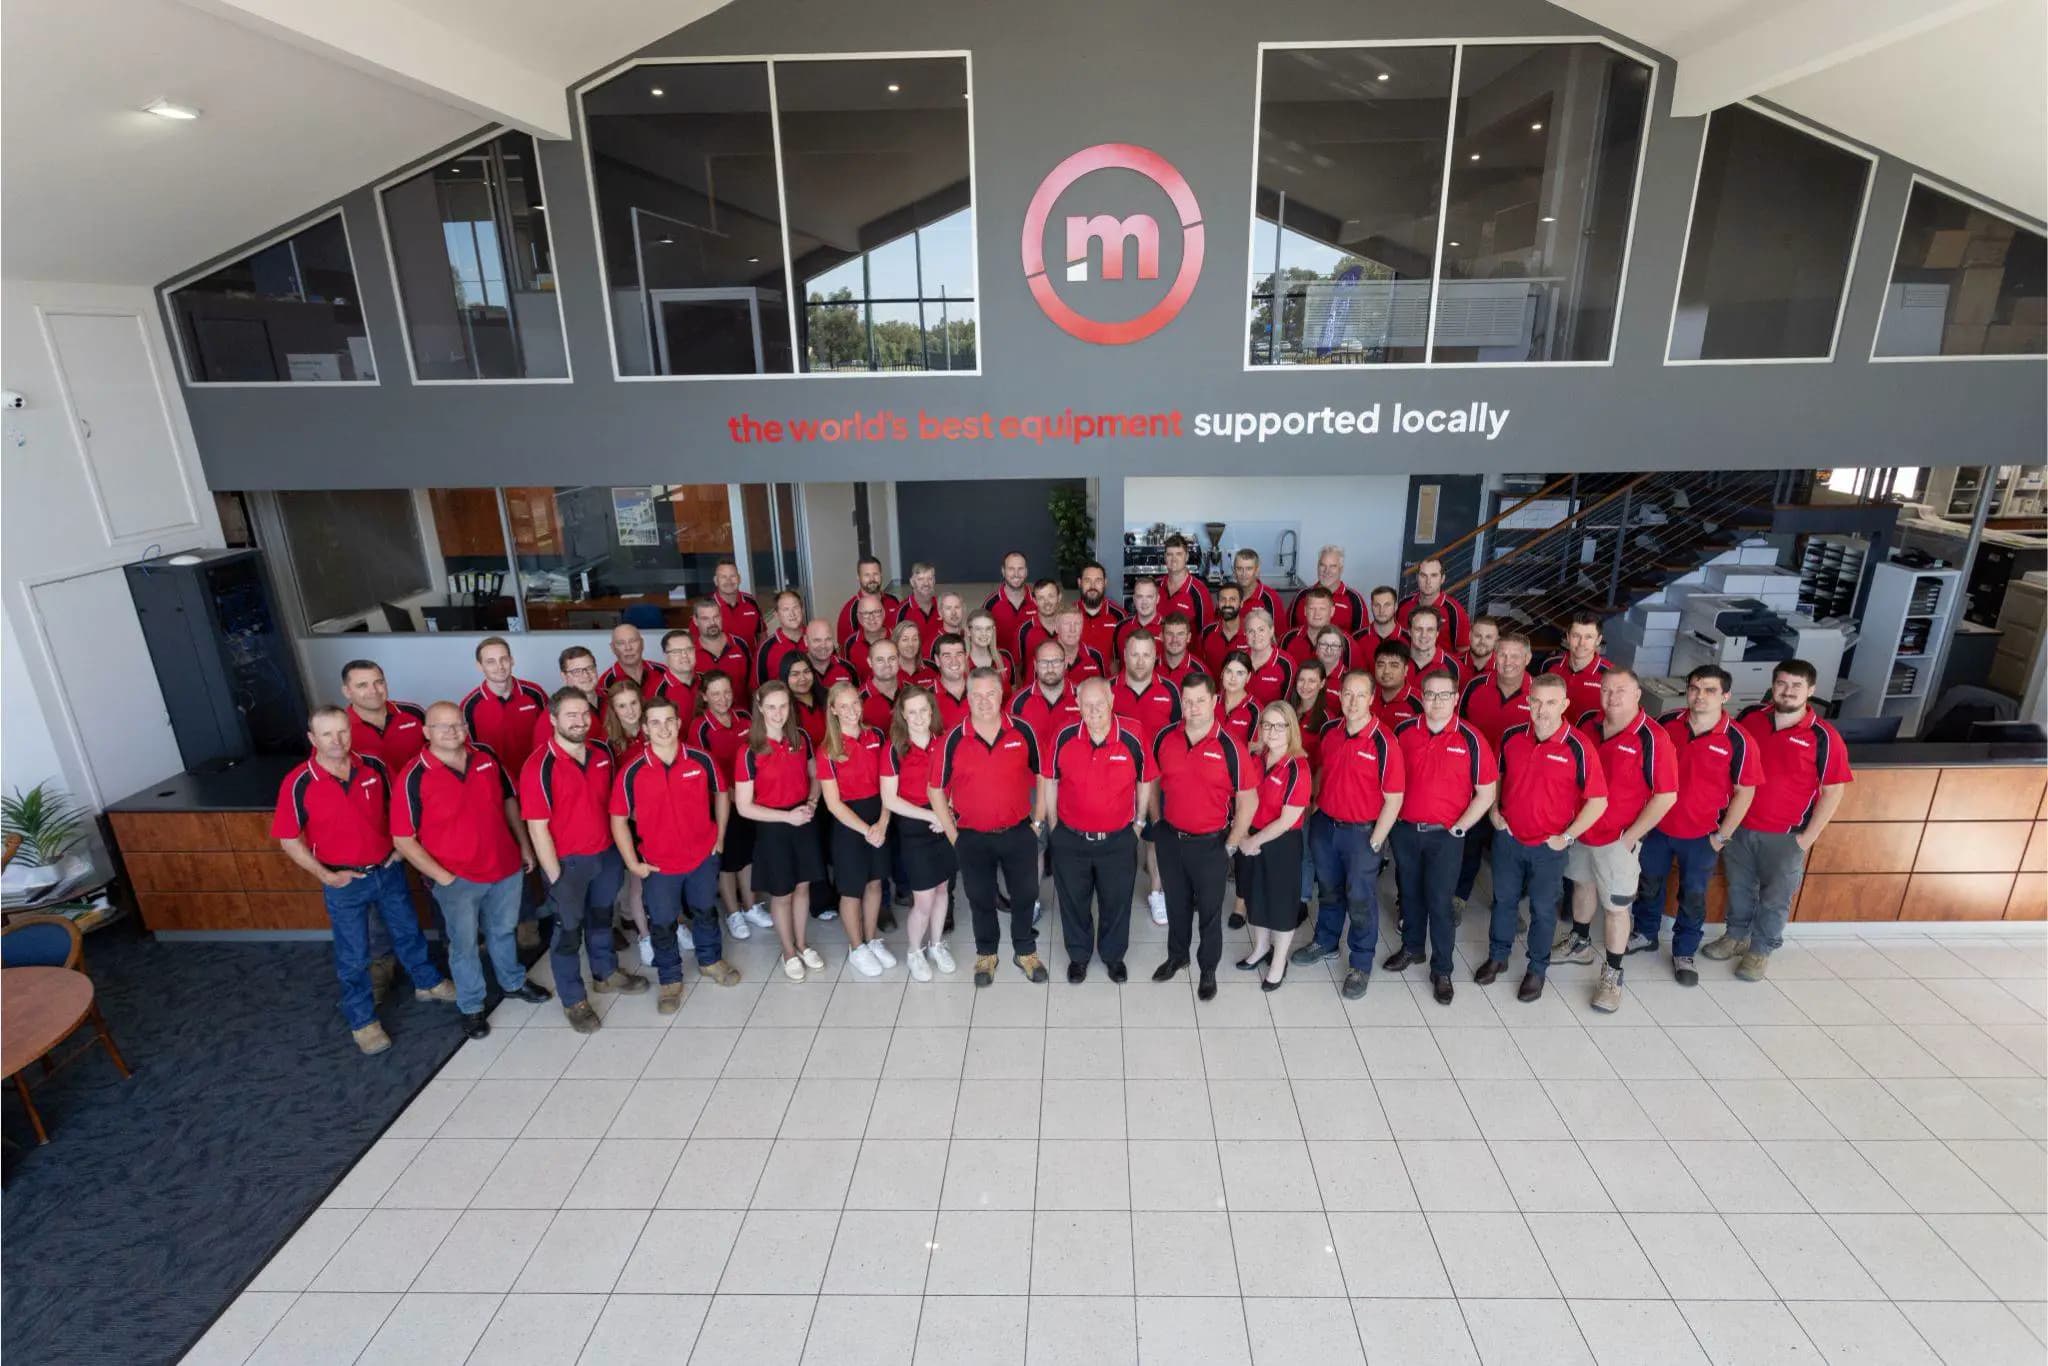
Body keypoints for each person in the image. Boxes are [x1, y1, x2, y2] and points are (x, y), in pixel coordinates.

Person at [273, 706, 453, 1054]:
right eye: (327, 734)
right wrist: (325, 875)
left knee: (408, 932)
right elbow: (287, 838)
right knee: (354, 954)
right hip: (344, 882)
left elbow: (403, 808)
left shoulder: (374, 766)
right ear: (312, 739)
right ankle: (362, 1021)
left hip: (387, 869)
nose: (337, 740)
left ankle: (427, 983)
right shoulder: (299, 781)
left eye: (342, 731)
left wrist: (401, 852)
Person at [392, 702, 547, 1040]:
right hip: (456, 879)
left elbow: (509, 800)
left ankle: (513, 982)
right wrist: (442, 876)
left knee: (504, 930)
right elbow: (403, 838)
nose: (451, 732)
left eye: (457, 725)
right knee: (463, 946)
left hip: (505, 867)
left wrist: (523, 845)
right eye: (442, 726)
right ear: (426, 732)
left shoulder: (486, 757)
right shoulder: (413, 775)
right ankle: (472, 1005)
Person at [1711, 660, 1853, 981]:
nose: (1787, 692)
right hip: (1740, 827)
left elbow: (1833, 793)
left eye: (1796, 686)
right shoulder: (1750, 718)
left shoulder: (1824, 737)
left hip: (1786, 835)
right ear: (1773, 685)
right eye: (1782, 684)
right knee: (1739, 888)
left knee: (1775, 898)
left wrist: (1805, 840)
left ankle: (1760, 951)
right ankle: (1735, 937)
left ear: (1811, 691)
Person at [1476, 673, 1608, 1004]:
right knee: (1504, 901)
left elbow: (1599, 801)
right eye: (1535, 701)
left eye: (1551, 703)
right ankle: (1499, 956)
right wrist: (1494, 811)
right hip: (1509, 839)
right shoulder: (1511, 737)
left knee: (1543, 910)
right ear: (1528, 702)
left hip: (1548, 848)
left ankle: (1536, 969)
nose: (1542, 710)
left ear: (1564, 705)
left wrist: (1567, 836)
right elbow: (1496, 776)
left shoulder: (1578, 747)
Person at [1553, 670, 1678, 1012]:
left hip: (1618, 840)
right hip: (1582, 830)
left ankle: (1612, 973)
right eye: (1606, 689)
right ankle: (1579, 942)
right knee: (1582, 887)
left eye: (1621, 690)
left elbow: (1666, 796)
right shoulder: (1588, 724)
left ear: (1638, 693)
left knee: (1615, 908)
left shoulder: (1653, 738)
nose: (1612, 696)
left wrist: (1631, 838)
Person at [523, 687, 646, 1033]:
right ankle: (574, 999)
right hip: (568, 865)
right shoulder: (539, 766)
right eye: (570, 715)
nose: (579, 721)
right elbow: (537, 828)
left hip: (605, 855)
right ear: (553, 720)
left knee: (601, 918)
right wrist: (556, 879)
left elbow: (615, 805)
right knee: (567, 932)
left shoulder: (602, 752)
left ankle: (605, 974)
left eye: (583, 714)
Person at [1630, 665, 1761, 986]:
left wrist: (1721, 836)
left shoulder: (1738, 740)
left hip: (1703, 836)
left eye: (1710, 690)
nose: (1699, 696)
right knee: (1648, 884)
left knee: (1693, 895)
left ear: (1725, 696)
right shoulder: (1665, 724)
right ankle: (1645, 933)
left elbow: (1746, 791)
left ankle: (1684, 951)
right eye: (1694, 688)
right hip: (1658, 829)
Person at [612, 695, 738, 1011]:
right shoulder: (632, 771)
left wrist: (719, 835)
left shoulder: (700, 759)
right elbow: (618, 818)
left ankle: (711, 960)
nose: (664, 727)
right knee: (663, 922)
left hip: (701, 858)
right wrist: (632, 863)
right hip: (659, 865)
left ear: (679, 723)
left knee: (705, 910)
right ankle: (670, 979)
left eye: (669, 720)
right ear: (645, 728)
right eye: (655, 722)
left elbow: (722, 793)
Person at [1291, 669, 1405, 999]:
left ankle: (1360, 963)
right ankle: (1325, 941)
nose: (1352, 702)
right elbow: (1322, 767)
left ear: (1371, 699)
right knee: (1328, 889)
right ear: (1339, 696)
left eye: (1360, 695)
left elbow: (1394, 798)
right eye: (1347, 694)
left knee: (1360, 898)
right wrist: (1314, 801)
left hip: (1362, 834)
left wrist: (1376, 840)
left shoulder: (1384, 742)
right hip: (1326, 825)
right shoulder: (1330, 731)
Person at [930, 667, 1048, 986]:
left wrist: (1037, 823)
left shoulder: (1022, 731)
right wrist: (954, 835)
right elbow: (935, 789)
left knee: (1025, 894)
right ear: (968, 698)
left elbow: (1043, 776)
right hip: (971, 837)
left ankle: (1025, 950)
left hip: (1019, 832)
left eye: (991, 693)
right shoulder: (953, 738)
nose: (984, 701)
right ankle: (987, 954)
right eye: (977, 695)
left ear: (1002, 694)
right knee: (980, 898)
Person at [1388, 672, 1498, 1006]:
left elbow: (1486, 792)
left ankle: (1443, 969)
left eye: (1443, 695)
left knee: (1440, 902)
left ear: (1455, 698)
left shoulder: (1471, 738)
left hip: (1446, 837)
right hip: (1406, 830)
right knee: (1409, 894)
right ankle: (1412, 948)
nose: (1436, 702)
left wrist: (1460, 828)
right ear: (1421, 697)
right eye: (1430, 695)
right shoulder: (1404, 731)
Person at [1149, 671, 1254, 1000]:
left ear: (1214, 701)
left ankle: (1207, 969)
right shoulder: (1166, 737)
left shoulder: (1230, 746)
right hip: (1170, 838)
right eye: (1187, 701)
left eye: (1199, 701)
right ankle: (1177, 957)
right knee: (1176, 904)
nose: (1192, 708)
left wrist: (1231, 845)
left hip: (1211, 844)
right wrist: (1156, 820)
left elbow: (1248, 800)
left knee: (1209, 912)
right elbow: (1152, 782)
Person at [1043, 678, 1150, 983]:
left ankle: (1113, 956)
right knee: (1073, 901)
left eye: (1099, 704)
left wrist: (1139, 824)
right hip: (1071, 839)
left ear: (1111, 700)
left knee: (1116, 902)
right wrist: (1053, 827)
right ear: (1077, 704)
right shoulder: (1064, 734)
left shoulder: (1133, 734)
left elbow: (1145, 778)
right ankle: (1079, 956)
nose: (1093, 711)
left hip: (1118, 840)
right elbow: (1049, 779)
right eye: (1086, 705)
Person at [734, 681, 828, 981]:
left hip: (803, 819)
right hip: (774, 827)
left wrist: (812, 802)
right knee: (782, 891)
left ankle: (802, 944)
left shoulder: (800, 739)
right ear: (760, 708)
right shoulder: (749, 750)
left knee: (803, 887)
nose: (778, 713)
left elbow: (815, 775)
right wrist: (786, 817)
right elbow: (744, 806)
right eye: (771, 706)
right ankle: (788, 951)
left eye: (783, 706)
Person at [818, 681, 895, 975]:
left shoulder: (875, 735)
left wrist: (884, 821)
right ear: (834, 710)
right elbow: (834, 804)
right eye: (844, 706)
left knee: (876, 882)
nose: (852, 711)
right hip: (850, 823)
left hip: (880, 814)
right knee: (852, 890)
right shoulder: (828, 750)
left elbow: (889, 783)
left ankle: (872, 936)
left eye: (856, 704)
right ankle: (856, 947)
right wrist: (867, 830)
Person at [881, 687, 958, 980]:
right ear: (902, 715)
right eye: (911, 712)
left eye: (923, 710)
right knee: (923, 899)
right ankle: (915, 951)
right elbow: (890, 799)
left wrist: (947, 811)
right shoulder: (895, 749)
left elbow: (955, 781)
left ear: (932, 711)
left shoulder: (944, 741)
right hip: (916, 825)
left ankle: (936, 944)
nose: (918, 717)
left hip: (944, 822)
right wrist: (933, 815)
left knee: (943, 891)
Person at [1454, 631, 1536, 906]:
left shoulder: (1539, 694)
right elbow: (1458, 729)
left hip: (1518, 786)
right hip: (1475, 782)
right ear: (1494, 656)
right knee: (1470, 842)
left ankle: (1508, 905)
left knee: (1511, 847)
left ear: (1528, 658)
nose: (1507, 661)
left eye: (1515, 655)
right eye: (1502, 654)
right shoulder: (1475, 687)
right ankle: (1459, 898)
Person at [1235, 702, 1312, 991]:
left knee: (1279, 906)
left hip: (1280, 844)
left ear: (1291, 729)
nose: (1273, 731)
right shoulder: (1257, 757)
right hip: (1251, 837)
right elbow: (1242, 798)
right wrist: (1242, 834)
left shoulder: (1298, 767)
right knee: (1256, 899)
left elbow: (1288, 819)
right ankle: (1260, 949)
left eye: (1280, 725)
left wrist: (1253, 841)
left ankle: (1278, 962)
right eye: (1267, 724)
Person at [1113, 630, 1183, 927]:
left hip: (1158, 780)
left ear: (1155, 656)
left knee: (1156, 838)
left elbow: (1181, 733)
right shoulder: (1107, 689)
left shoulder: (1170, 690)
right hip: (1116, 779)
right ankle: (1115, 893)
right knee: (1119, 838)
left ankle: (1157, 891)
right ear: (1124, 655)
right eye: (1134, 654)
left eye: (1146, 654)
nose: (1140, 661)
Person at [695, 672, 769, 944]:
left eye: (727, 692)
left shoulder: (745, 719)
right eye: (715, 694)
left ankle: (750, 906)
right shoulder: (700, 727)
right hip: (720, 800)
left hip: (748, 799)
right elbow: (703, 768)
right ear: (705, 697)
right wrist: (728, 792)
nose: (723, 698)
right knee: (726, 859)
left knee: (747, 854)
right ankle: (733, 912)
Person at [601, 679, 656, 958]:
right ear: (613, 710)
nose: (630, 710)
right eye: (622, 706)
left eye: (634, 703)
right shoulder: (610, 742)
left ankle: (675, 924)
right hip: (633, 820)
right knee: (637, 881)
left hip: (662, 816)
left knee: (666, 876)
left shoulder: (654, 730)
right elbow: (610, 787)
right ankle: (645, 936)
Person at [461, 637, 550, 780]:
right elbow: (469, 752)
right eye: (491, 662)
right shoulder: (469, 706)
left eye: (504, 659)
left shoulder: (535, 693)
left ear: (512, 660)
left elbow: (552, 733)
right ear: (480, 666)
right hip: (497, 782)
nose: (500, 666)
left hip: (537, 776)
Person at [341, 659, 427, 773]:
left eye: (379, 682)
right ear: (347, 692)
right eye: (362, 685)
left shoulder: (414, 712)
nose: (374, 691)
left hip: (418, 789)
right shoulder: (337, 726)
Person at [1010, 638, 1082, 754]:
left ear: (1066, 663)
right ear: (1035, 665)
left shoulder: (1083, 696)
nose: (1050, 668)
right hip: (1033, 771)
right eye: (1043, 662)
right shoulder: (1018, 702)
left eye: (1056, 662)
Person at [1544, 611, 1614, 720]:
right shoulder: (1550, 665)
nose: (1582, 643)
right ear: (1568, 637)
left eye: (1589, 637)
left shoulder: (1611, 675)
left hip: (1589, 736)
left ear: (1598, 640)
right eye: (1576, 636)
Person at [1397, 557, 1471, 650]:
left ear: (1442, 579)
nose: (1428, 581)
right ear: (1417, 577)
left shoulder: (1455, 611)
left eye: (1434, 575)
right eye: (1423, 575)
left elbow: (1463, 649)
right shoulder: (1404, 604)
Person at [1289, 546, 1366, 634]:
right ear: (1317, 567)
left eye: (1332, 566)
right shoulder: (1301, 596)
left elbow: (1361, 638)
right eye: (1323, 565)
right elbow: (1289, 632)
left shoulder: (1354, 599)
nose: (1327, 571)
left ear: (1341, 569)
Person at [692, 596, 755, 697]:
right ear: (695, 621)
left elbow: (752, 686)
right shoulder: (689, 652)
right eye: (705, 619)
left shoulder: (740, 644)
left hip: (742, 711)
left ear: (721, 616)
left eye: (716, 617)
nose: (712, 623)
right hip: (707, 713)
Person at [835, 555, 901, 641]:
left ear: (881, 575)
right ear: (858, 578)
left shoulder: (893, 601)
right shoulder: (849, 611)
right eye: (867, 575)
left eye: (875, 574)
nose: (872, 579)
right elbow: (845, 648)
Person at [601, 622, 674, 698]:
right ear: (613, 648)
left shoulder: (663, 671)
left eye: (633, 641)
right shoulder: (605, 683)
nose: (628, 648)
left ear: (642, 643)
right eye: (621, 643)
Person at [984, 551, 1037, 656]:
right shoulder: (990, 604)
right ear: (1003, 571)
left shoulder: (1038, 600)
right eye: (1011, 569)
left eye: (1020, 569)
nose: (1016, 574)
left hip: (1033, 664)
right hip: (1002, 665)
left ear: (1026, 571)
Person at [1158, 533, 1213, 631]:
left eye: (1179, 554)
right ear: (1165, 557)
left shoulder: (1200, 592)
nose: (1174, 559)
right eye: (1170, 554)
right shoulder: (1156, 586)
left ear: (1187, 556)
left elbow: (1206, 633)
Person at [755, 589, 808, 687]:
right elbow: (759, 688)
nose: (792, 614)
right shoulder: (766, 648)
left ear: (802, 610)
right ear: (777, 615)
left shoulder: (816, 638)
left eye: (795, 607)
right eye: (786, 609)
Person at [1240, 608, 1292, 705]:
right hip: (1242, 719)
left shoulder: (1286, 664)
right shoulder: (1237, 659)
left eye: (1261, 630)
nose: (1256, 635)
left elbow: (1289, 705)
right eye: (1251, 631)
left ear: (1271, 630)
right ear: (1245, 634)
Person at [1076, 561, 1126, 660]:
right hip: (1077, 675)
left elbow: (1124, 654)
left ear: (1105, 583)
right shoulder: (1068, 614)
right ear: (1079, 583)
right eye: (1087, 581)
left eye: (1098, 581)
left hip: (1108, 676)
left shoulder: (1119, 615)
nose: (1093, 586)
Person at [1280, 587, 1339, 667]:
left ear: (1332, 611)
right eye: (1312, 608)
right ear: (1305, 611)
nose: (1317, 614)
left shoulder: (1345, 643)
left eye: (1322, 609)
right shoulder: (1287, 639)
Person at [842, 594, 895, 683]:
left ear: (883, 613)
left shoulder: (896, 637)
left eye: (876, 612)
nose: (872, 617)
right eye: (866, 613)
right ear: (859, 617)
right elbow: (849, 678)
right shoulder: (850, 643)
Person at [1404, 606, 1462, 685]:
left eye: (1430, 630)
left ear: (1437, 633)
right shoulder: (1397, 660)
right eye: (1418, 629)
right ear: (1409, 632)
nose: (1424, 635)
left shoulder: (1454, 667)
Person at [711, 558, 764, 642]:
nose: (729, 581)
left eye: (732, 576)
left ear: (739, 579)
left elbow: (762, 634)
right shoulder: (706, 606)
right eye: (723, 577)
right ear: (716, 581)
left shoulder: (751, 601)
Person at [781, 654, 829, 748]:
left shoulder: (828, 696)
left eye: (806, 672)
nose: (802, 678)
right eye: (795, 674)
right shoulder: (782, 708)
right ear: (785, 677)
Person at [859, 638, 908, 731]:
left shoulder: (911, 691)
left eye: (892, 658)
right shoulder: (859, 700)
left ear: (899, 660)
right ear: (870, 662)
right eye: (880, 660)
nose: (887, 664)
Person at [1370, 640, 1422, 727]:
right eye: (1381, 665)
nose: (1386, 671)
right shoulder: (1366, 695)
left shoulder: (1420, 702)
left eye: (1394, 665)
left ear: (1405, 670)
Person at [929, 633, 973, 734]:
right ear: (937, 660)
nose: (954, 661)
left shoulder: (980, 689)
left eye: (959, 654)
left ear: (966, 657)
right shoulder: (926, 697)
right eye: (947, 656)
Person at [1214, 651, 1259, 749]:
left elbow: (1254, 751)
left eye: (1240, 673)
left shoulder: (1255, 710)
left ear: (1248, 677)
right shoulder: (1211, 701)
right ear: (1222, 673)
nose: (1233, 678)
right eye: (1229, 671)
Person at [1051, 605, 1107, 682]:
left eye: (1077, 623)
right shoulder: (1044, 656)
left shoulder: (1095, 656)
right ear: (1056, 627)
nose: (1072, 629)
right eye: (1067, 624)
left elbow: (1102, 689)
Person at [1198, 586, 1246, 675]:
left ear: (1241, 603)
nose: (1227, 604)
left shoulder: (1251, 632)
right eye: (1223, 599)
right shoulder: (1207, 633)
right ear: (1218, 604)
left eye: (1232, 599)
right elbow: (1199, 667)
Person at [1016, 579, 1064, 666]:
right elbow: (1017, 666)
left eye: (1051, 596)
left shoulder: (1069, 627)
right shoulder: (1023, 631)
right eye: (1041, 598)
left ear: (1059, 597)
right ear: (1034, 601)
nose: (1047, 602)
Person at [802, 619, 859, 691]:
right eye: (817, 640)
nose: (823, 645)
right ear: (806, 641)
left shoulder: (847, 668)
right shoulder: (796, 669)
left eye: (828, 639)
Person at [963, 608, 1018, 682]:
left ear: (993, 630)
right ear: (968, 631)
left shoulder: (1005, 658)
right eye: (978, 629)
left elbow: (1014, 691)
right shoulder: (960, 662)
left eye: (988, 628)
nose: (984, 633)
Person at [1116, 577, 1164, 657]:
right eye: (1140, 596)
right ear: (1134, 599)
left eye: (1149, 597)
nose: (1144, 602)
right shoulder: (1122, 628)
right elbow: (1117, 664)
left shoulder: (1167, 628)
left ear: (1157, 599)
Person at [660, 631, 705, 714]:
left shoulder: (707, 681)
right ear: (665, 656)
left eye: (689, 649)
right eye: (676, 652)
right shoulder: (658, 691)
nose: (684, 655)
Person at [1233, 548, 1283, 622]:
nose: (1244, 574)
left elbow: (1281, 633)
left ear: (1257, 571)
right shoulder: (1227, 595)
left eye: (1249, 569)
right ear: (1234, 571)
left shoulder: (1271, 599)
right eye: (1239, 568)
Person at [900, 561, 943, 641]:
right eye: (920, 579)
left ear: (934, 581)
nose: (926, 583)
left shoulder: (942, 606)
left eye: (930, 579)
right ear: (912, 582)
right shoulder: (902, 611)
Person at [1158, 613, 1201, 686]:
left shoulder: (1200, 672)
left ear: (1188, 637)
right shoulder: (1150, 666)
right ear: (1161, 636)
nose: (1175, 639)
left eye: (1180, 634)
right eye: (1169, 634)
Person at [893, 620, 938, 689]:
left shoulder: (932, 670)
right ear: (896, 643)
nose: (911, 644)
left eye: (915, 639)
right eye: (905, 639)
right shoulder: (890, 672)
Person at [930, 592, 968, 656]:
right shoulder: (933, 643)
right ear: (940, 613)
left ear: (963, 610)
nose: (954, 612)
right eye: (948, 608)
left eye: (957, 607)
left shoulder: (970, 636)